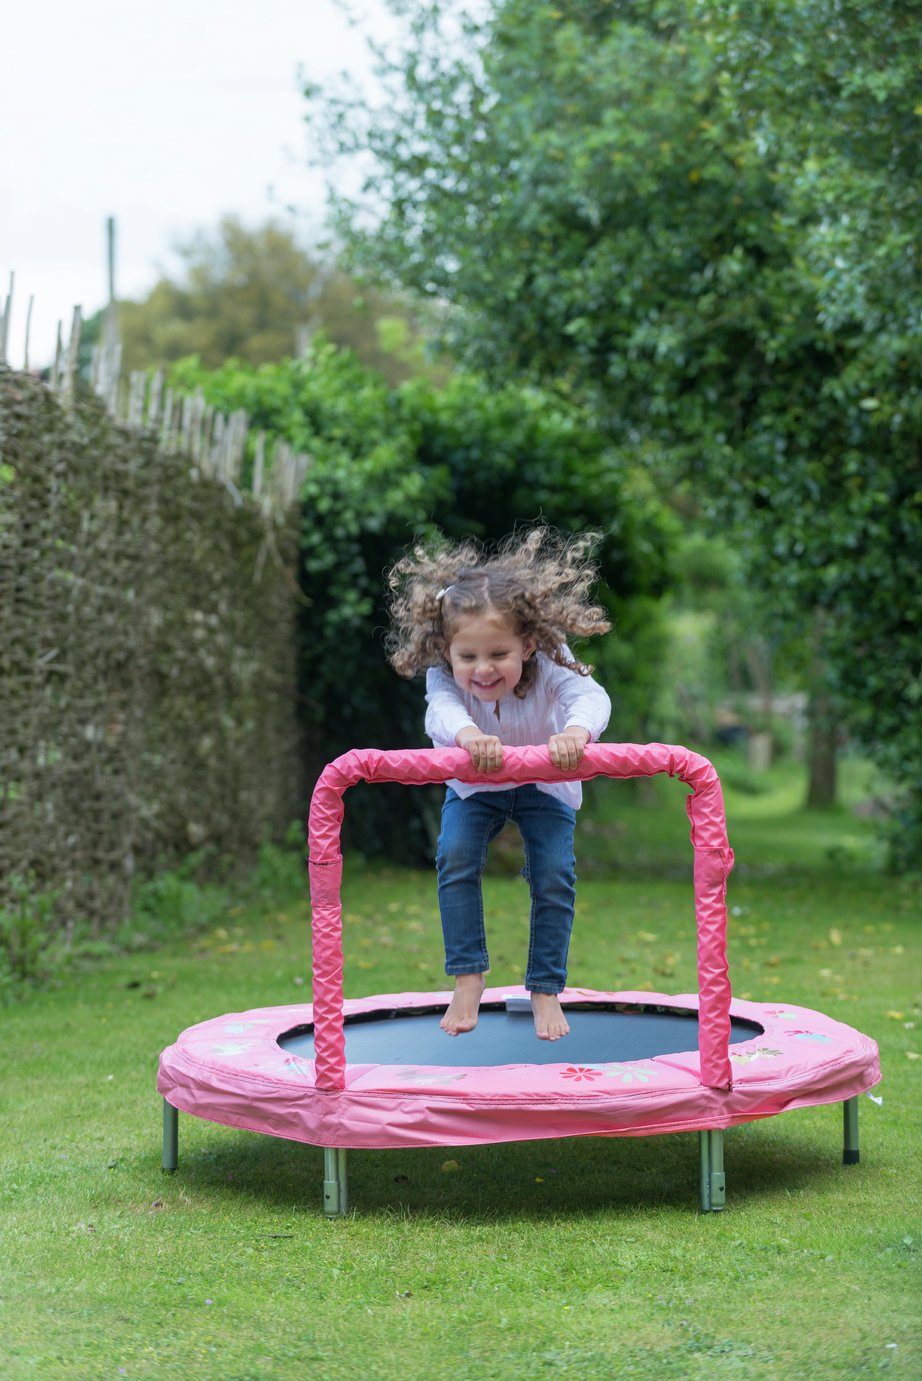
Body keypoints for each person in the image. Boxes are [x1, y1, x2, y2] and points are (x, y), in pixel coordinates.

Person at [385, 527, 611, 1042]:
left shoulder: (552, 660)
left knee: (554, 874)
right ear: (447, 651)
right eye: (468, 657)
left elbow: (589, 697)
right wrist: (468, 735)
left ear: (527, 644)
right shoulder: (443, 676)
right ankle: (469, 976)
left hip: (545, 782)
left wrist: (577, 732)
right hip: (474, 782)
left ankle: (546, 987)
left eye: (498, 655)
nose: (483, 670)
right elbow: (440, 713)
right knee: (456, 857)